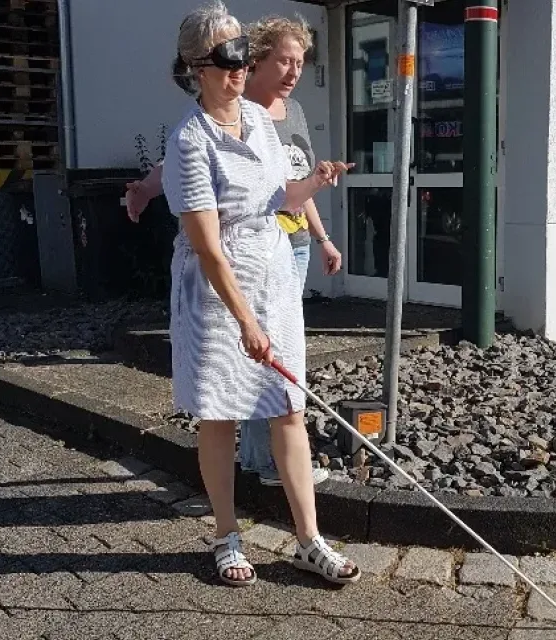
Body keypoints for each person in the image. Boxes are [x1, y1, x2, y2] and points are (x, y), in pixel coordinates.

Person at [161, 1, 359, 587]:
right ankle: (226, 534)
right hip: (218, 292)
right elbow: (207, 246)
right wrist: (245, 320)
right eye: (227, 58)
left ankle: (309, 539)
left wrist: (313, 183)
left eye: (243, 54)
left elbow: (278, 200)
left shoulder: (258, 120)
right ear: (197, 65)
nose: (240, 67)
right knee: (221, 415)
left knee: (289, 407)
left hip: (272, 274)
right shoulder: (188, 141)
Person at [125, 14, 337, 489]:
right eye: (284, 60)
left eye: (301, 62)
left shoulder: (272, 117)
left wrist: (320, 232)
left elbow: (287, 189)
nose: (293, 71)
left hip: (282, 253)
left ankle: (306, 528)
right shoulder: (195, 135)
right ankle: (240, 503)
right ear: (198, 66)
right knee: (223, 401)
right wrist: (142, 189)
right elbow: (200, 220)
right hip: (227, 273)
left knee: (284, 393)